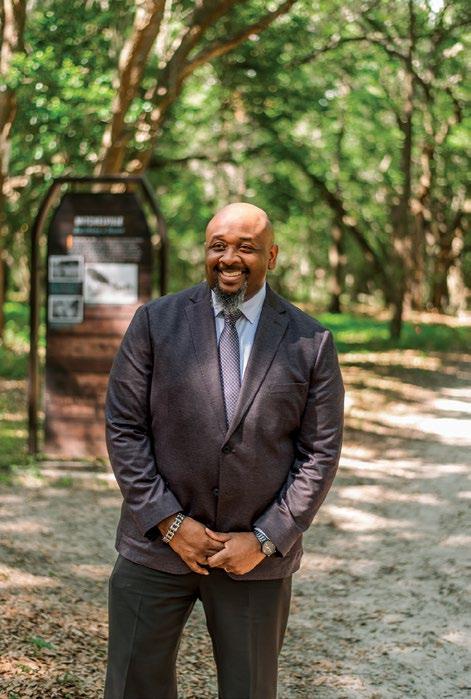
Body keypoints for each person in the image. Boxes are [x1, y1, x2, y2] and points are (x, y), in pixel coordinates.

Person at [104, 202, 344, 699]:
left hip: (255, 557)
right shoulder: (154, 322)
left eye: (246, 247)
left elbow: (319, 452)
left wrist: (265, 538)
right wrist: (170, 522)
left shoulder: (311, 340)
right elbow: (125, 428)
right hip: (156, 546)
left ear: (271, 256)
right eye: (218, 246)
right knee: (133, 687)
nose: (229, 258)